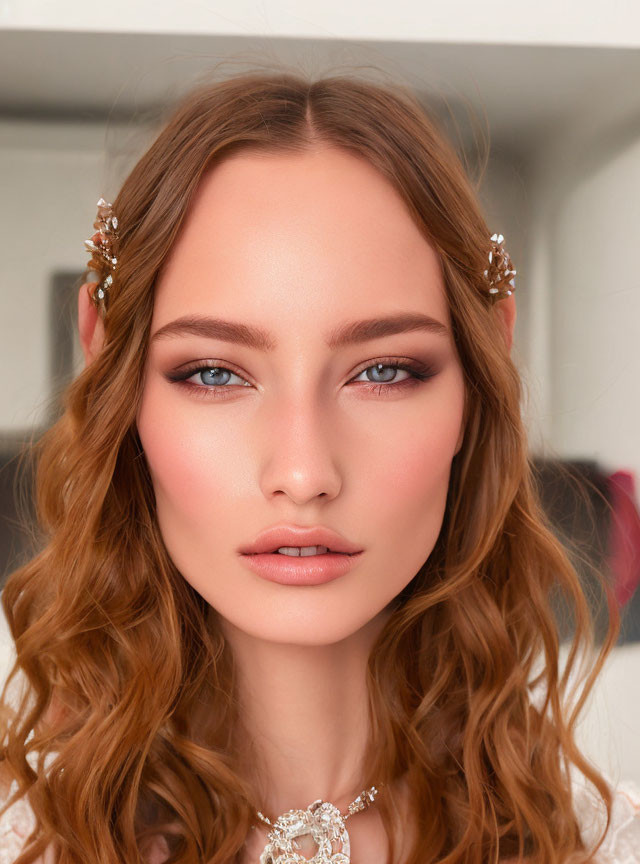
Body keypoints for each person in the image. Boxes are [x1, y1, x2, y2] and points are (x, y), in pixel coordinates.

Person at [0, 69, 638, 864]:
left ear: (484, 370)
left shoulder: (595, 845)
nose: (303, 475)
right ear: (108, 366)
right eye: (213, 373)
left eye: (384, 371)